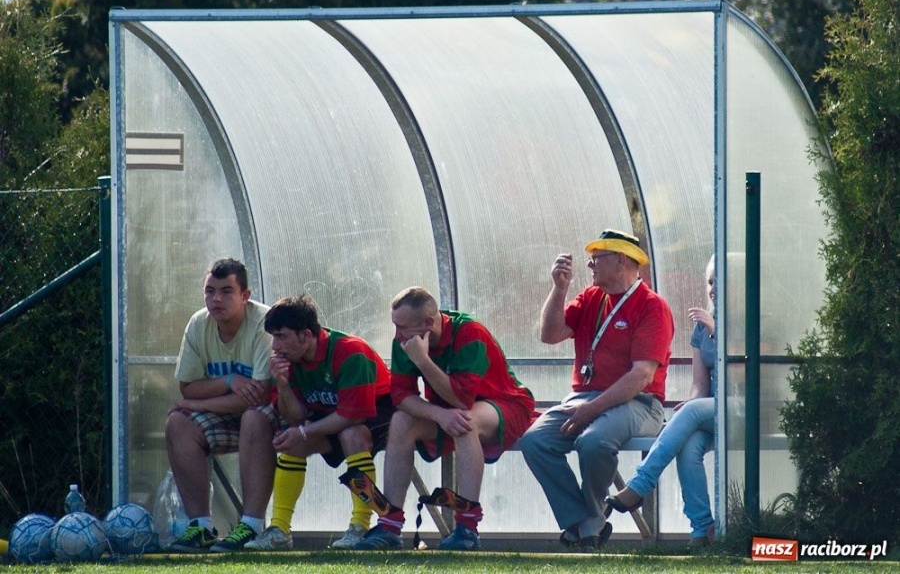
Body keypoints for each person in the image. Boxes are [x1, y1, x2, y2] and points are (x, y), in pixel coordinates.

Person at [518, 229, 674, 549]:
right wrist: (559, 289)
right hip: (584, 398)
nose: (589, 265)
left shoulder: (651, 306)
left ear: (620, 261)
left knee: (594, 441)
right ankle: (586, 521)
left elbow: (641, 376)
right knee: (535, 440)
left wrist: (591, 409)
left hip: (639, 403)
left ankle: (588, 526)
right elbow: (550, 334)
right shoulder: (592, 297)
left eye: (596, 258)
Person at [353, 286, 537, 551]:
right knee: (401, 421)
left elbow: (462, 400)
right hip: (450, 410)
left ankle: (467, 528)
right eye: (395, 326)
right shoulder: (405, 340)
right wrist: (438, 414)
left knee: (465, 421)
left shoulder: (470, 333)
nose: (397, 334)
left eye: (402, 327)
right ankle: (389, 525)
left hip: (506, 405)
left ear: (428, 323)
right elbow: (401, 396)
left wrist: (423, 361)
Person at [242, 294, 394, 551]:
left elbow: (353, 416)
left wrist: (303, 432)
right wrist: (282, 385)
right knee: (292, 443)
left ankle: (360, 527)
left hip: (380, 414)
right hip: (337, 416)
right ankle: (279, 530)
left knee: (351, 435)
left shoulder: (350, 352)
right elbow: (296, 416)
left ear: (306, 335)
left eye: (281, 336)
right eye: (273, 337)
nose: (275, 346)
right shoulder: (289, 361)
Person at [165, 258, 278, 553]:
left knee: (253, 417)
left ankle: (251, 526)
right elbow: (188, 386)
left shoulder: (264, 323)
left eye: (227, 291)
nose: (216, 299)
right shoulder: (198, 323)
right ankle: (201, 527)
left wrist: (195, 402)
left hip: (273, 419)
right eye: (210, 291)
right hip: (228, 414)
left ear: (245, 296)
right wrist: (229, 380)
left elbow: (260, 395)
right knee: (178, 423)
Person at [606, 254, 716, 546]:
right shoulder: (700, 328)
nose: (713, 289)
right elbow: (700, 385)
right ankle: (702, 530)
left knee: (690, 413)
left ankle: (640, 485)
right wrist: (692, 404)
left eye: (720, 282)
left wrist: (717, 332)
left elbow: (743, 377)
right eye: (710, 282)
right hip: (713, 410)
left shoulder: (747, 323)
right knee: (688, 447)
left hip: (745, 406)